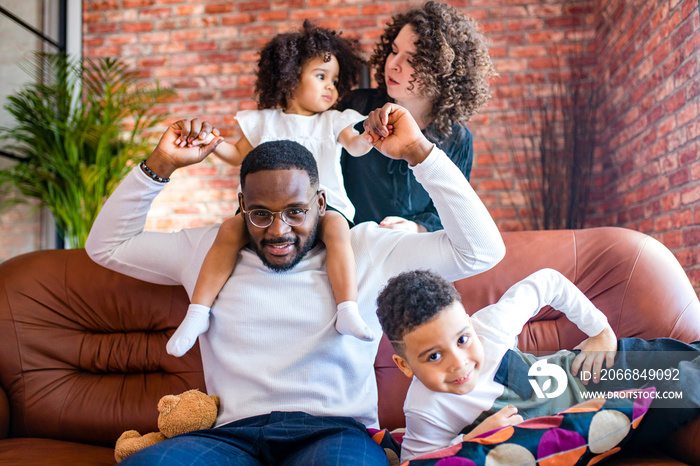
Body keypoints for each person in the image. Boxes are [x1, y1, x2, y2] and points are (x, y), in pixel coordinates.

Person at [85, 102, 506, 465]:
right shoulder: (208, 250)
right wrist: (160, 166)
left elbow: (481, 251)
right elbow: (107, 246)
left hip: (334, 433)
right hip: (231, 436)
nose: (278, 231)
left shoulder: (367, 249)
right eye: (261, 214)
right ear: (241, 208)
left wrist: (417, 152)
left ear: (321, 204)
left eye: (295, 211)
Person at [166, 21, 375, 358]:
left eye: (335, 81)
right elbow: (236, 154)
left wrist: (370, 138)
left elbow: (356, 146)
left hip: (323, 206)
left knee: (337, 230)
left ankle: (348, 309)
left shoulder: (334, 121)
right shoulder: (263, 121)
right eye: (321, 76)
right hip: (267, 208)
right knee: (230, 228)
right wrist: (209, 141)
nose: (331, 88)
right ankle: (197, 313)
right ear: (290, 78)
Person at [376, 268, 700, 462]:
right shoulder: (424, 409)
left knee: (689, 356)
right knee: (686, 389)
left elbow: (548, 281)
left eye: (463, 340)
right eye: (434, 356)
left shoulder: (490, 326)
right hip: (597, 418)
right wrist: (472, 439)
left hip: (592, 370)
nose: (459, 363)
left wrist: (600, 331)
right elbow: (423, 463)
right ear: (404, 366)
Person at [340, 1, 495, 232]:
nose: (392, 64)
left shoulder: (458, 139)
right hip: (347, 242)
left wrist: (416, 228)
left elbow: (452, 211)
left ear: (443, 73)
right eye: (393, 51)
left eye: (411, 60)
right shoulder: (356, 105)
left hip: (410, 247)